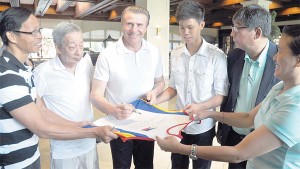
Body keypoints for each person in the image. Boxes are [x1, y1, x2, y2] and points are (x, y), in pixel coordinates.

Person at [157, 24, 300, 169]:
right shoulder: (280, 87)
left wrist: (180, 148)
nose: (275, 57)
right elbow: (248, 118)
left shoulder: (295, 107)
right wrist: (209, 113)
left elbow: (239, 153)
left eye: (280, 51)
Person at [0, 7, 117, 169]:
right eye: (33, 32)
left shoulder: (23, 69)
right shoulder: (7, 75)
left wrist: (78, 125)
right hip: (13, 163)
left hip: (30, 158)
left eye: (39, 30)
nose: (40, 36)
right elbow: (41, 128)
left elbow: (42, 111)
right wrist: (93, 132)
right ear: (11, 36)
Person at [155, 1, 228, 168]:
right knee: (177, 165)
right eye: (181, 27)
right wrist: (155, 101)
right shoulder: (176, 53)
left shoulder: (216, 56)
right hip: (179, 125)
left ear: (201, 24)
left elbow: (220, 96)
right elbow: (173, 87)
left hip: (203, 127)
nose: (185, 33)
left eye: (190, 27)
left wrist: (200, 107)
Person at [90, 6, 165, 169]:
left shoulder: (153, 51)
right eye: (129, 24)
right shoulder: (108, 54)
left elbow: (160, 82)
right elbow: (95, 95)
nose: (134, 29)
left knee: (145, 165)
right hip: (119, 125)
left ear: (146, 28)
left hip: (146, 122)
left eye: (140, 25)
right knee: (121, 165)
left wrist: (154, 91)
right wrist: (113, 109)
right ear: (122, 24)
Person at [217, 4, 280, 169]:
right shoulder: (234, 56)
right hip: (233, 136)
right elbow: (229, 95)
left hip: (263, 143)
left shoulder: (281, 60)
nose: (232, 33)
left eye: (237, 29)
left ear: (257, 33)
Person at [33, 22, 99, 169]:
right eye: (72, 47)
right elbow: (37, 109)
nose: (78, 52)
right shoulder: (42, 73)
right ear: (58, 48)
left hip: (89, 140)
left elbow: (93, 93)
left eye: (81, 45)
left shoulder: (85, 63)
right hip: (64, 149)